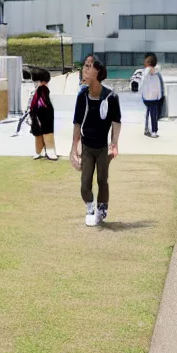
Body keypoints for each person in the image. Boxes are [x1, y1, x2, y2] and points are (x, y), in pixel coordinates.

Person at [71, 55, 121, 227]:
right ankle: (90, 206)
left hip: (102, 148)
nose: (85, 69)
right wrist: (73, 150)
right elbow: (77, 124)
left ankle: (102, 207)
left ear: (97, 71)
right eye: (84, 65)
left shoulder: (111, 97)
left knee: (102, 179)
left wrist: (114, 145)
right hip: (87, 146)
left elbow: (116, 123)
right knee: (85, 183)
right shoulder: (82, 96)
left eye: (89, 66)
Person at [29, 68, 57, 161]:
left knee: (46, 133)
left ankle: (49, 150)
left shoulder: (43, 89)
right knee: (38, 133)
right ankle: (39, 151)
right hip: (39, 113)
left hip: (44, 113)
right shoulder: (38, 90)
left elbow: (43, 103)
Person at [140, 52, 164, 138]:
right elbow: (160, 86)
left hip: (148, 98)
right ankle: (152, 130)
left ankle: (151, 130)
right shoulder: (157, 73)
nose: (144, 63)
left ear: (149, 63)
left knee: (149, 114)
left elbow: (141, 84)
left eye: (145, 61)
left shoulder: (147, 72)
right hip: (153, 98)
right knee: (153, 114)